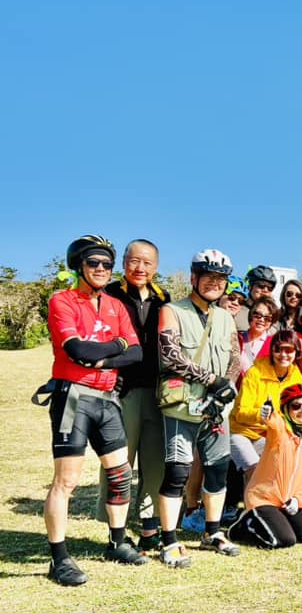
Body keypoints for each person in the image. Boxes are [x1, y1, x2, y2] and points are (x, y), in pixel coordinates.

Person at [42, 235, 146, 585]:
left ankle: (116, 542)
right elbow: (76, 349)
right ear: (79, 266)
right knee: (66, 481)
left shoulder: (115, 305)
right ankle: (58, 558)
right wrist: (114, 346)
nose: (101, 269)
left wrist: (102, 354)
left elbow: (136, 353)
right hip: (73, 397)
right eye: (93, 263)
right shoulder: (63, 300)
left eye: (106, 264)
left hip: (107, 400)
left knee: (119, 475)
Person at [155, 249, 242, 568]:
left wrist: (226, 386)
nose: (214, 284)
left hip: (217, 406)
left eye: (220, 279)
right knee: (177, 471)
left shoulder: (226, 317)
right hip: (183, 405)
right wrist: (212, 379)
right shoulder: (172, 311)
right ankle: (169, 541)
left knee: (218, 468)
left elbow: (234, 357)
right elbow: (170, 356)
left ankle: (213, 532)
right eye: (208, 277)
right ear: (193, 278)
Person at [96, 239, 169, 552]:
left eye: (147, 263)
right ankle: (118, 529)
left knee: (155, 463)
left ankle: (150, 527)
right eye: (134, 261)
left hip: (157, 391)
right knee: (118, 461)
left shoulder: (163, 299)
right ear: (124, 262)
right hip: (120, 391)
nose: (140, 268)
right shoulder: (108, 295)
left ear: (156, 267)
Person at [227, 385, 302, 548]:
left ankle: (277, 520)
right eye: (296, 406)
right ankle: (245, 523)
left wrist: (299, 500)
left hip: (288, 501)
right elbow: (274, 424)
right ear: (286, 410)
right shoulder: (280, 432)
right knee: (284, 540)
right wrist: (269, 414)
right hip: (263, 498)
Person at [229, 330, 302, 482]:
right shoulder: (255, 372)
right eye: (278, 349)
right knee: (255, 468)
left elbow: (297, 412)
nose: (283, 355)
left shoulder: (296, 376)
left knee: (284, 464)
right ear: (271, 351)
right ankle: (254, 505)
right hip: (240, 432)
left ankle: (273, 503)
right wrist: (262, 415)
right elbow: (240, 413)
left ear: (296, 352)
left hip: (269, 434)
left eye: (289, 350)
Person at [238, 297, 280, 375]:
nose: (261, 320)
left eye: (267, 318)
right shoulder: (237, 338)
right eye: (257, 315)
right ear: (250, 315)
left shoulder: (274, 344)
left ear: (272, 322)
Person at [235, 265, 277, 331]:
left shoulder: (274, 316)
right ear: (250, 286)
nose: (265, 290)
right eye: (261, 286)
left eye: (270, 288)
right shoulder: (236, 311)